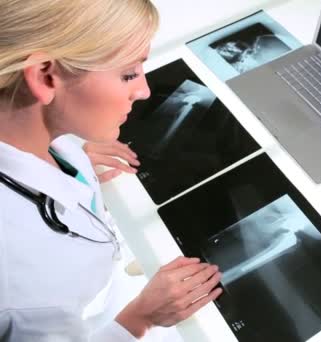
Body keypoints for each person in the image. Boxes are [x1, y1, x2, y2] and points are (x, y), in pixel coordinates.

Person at [0, 0, 222, 341]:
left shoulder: (36, 139)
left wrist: (70, 160)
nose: (144, 90)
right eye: (129, 74)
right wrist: (139, 319)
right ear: (45, 76)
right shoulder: (28, 283)